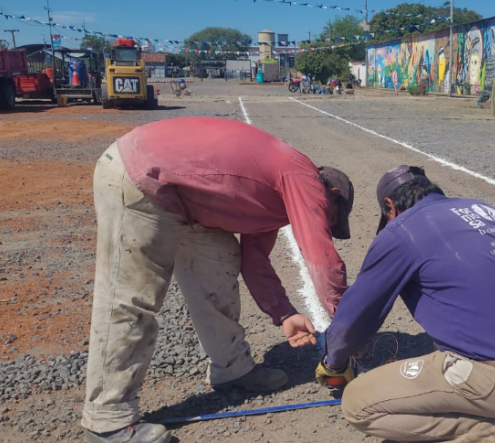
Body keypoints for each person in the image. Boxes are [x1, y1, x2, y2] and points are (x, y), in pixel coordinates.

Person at [82, 117, 354, 443]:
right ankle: (107, 420)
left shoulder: (275, 200)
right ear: (332, 194)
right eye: (331, 216)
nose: (324, 221)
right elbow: (322, 258)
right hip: (141, 176)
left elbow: (255, 263)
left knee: (222, 263)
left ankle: (232, 369)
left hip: (188, 201)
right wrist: (349, 327)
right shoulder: (305, 178)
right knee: (132, 296)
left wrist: (284, 314)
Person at [315, 166, 495, 443]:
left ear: (390, 206)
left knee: (358, 403)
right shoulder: (482, 210)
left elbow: (356, 315)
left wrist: (334, 362)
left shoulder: (401, 232)